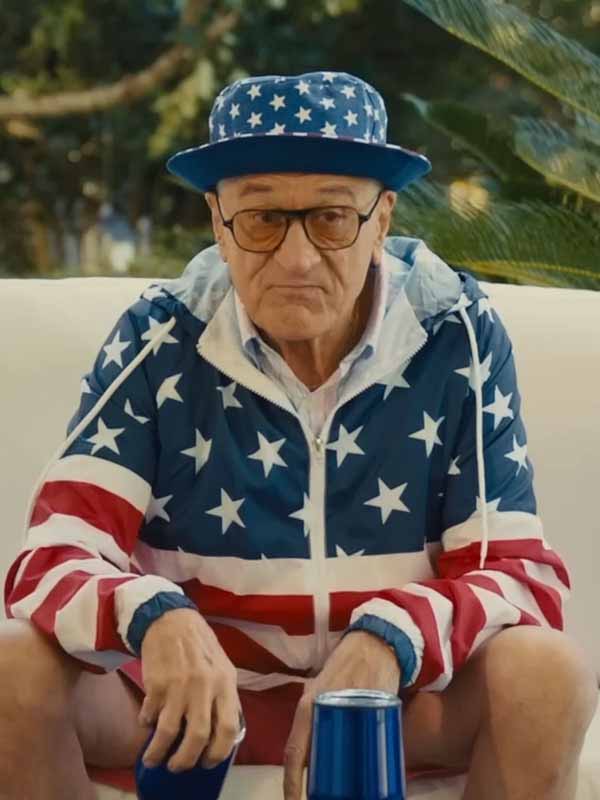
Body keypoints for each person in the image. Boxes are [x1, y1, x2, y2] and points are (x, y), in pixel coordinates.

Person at [1, 70, 597, 800]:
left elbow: (519, 578)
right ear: (218, 222)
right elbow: (49, 559)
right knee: (11, 665)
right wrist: (156, 615)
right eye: (261, 219)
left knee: (548, 673)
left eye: (332, 218)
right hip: (185, 709)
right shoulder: (158, 337)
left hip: (394, 706)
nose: (297, 259)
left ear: (381, 220)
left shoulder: (458, 335)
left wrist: (389, 638)